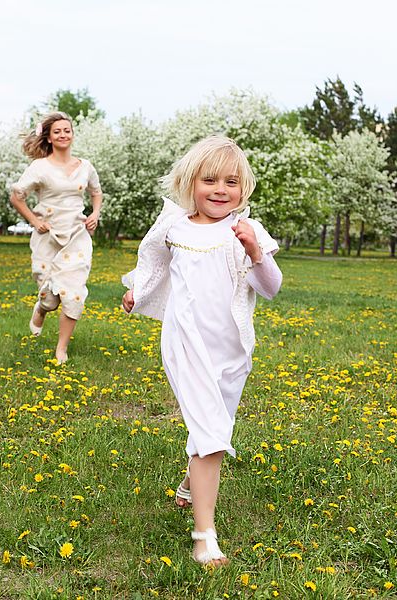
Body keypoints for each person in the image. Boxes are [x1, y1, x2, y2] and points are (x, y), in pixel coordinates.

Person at [121, 136, 282, 567]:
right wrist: (137, 290)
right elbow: (153, 262)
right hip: (184, 343)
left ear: (243, 189)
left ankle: (191, 484)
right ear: (190, 182)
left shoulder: (245, 231)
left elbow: (270, 288)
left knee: (216, 425)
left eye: (231, 181)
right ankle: (204, 535)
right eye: (209, 179)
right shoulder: (174, 226)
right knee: (211, 433)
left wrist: (255, 251)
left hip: (231, 350)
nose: (220, 189)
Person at [8, 111, 103, 364]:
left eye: (67, 130)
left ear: (72, 134)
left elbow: (96, 192)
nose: (63, 135)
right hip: (47, 234)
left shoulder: (85, 167)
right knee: (49, 295)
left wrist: (95, 213)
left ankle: (61, 348)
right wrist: (34, 220)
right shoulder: (39, 167)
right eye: (57, 131)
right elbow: (17, 196)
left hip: (77, 234)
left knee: (73, 292)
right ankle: (42, 307)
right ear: (49, 138)